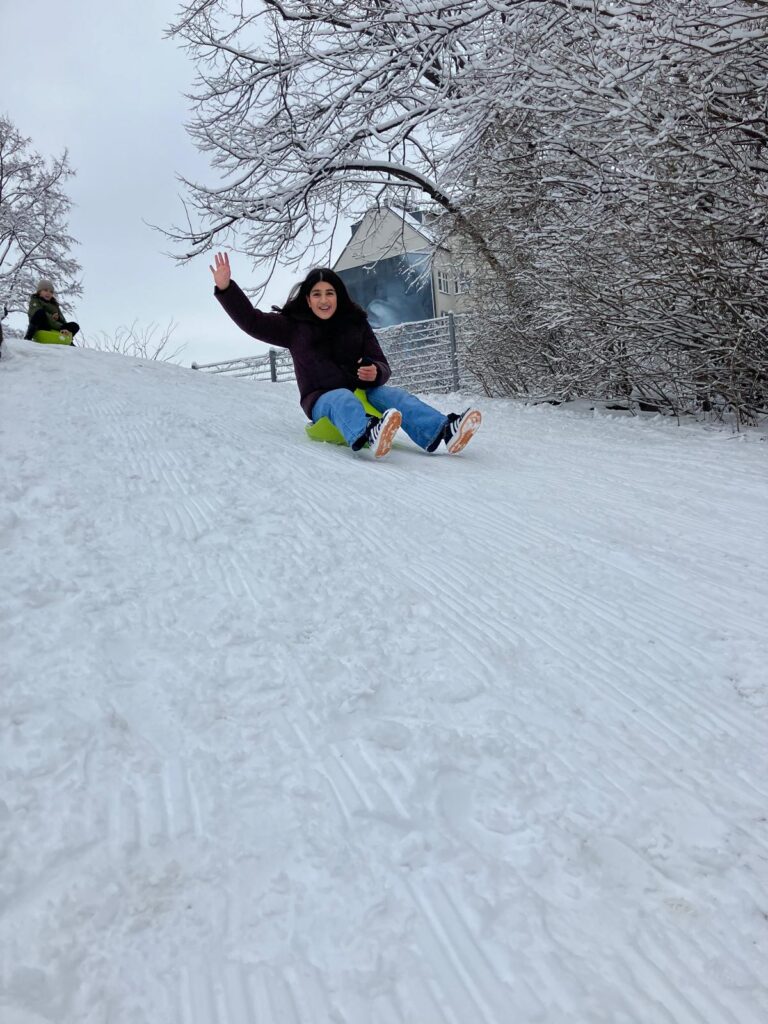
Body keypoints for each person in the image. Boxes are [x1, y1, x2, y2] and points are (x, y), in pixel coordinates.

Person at [210, 252, 481, 459]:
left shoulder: (356, 324)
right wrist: (226, 288)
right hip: (322, 401)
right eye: (317, 294)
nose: (324, 300)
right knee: (341, 397)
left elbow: (382, 364)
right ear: (308, 300)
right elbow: (251, 321)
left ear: (338, 296)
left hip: (361, 393)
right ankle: (369, 431)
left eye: (329, 293)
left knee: (395, 396)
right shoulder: (293, 327)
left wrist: (375, 371)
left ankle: (444, 430)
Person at [24, 279, 80, 344]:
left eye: (51, 292)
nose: (48, 293)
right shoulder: (35, 300)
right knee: (40, 312)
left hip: (55, 326)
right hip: (42, 326)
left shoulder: (54, 304)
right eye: (45, 290)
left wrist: (59, 319)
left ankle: (69, 340)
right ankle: (28, 337)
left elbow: (62, 319)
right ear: (39, 292)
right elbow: (35, 313)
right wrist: (58, 324)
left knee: (75, 325)